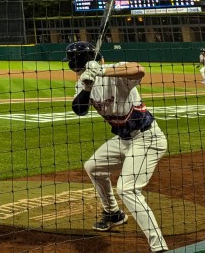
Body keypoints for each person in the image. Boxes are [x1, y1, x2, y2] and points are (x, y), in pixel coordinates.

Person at [66, 41, 169, 253]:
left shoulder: (118, 71)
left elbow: (138, 69)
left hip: (148, 138)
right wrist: (87, 87)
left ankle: (159, 247)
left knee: (127, 188)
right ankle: (113, 213)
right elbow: (79, 110)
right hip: (123, 140)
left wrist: (102, 71)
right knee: (93, 167)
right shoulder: (83, 81)